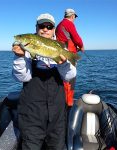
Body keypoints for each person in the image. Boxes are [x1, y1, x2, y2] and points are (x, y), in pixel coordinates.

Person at [12, 13, 77, 150]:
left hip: (57, 114)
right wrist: (19, 57)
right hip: (31, 114)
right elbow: (22, 77)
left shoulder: (61, 48)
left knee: (57, 146)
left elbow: (70, 76)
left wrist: (63, 63)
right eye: (42, 26)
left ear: (54, 29)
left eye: (49, 26)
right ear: (36, 28)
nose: (45, 29)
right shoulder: (27, 49)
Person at [55, 8, 84, 107]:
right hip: (68, 54)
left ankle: (63, 102)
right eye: (74, 17)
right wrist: (81, 46)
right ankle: (69, 104)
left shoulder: (59, 25)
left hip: (60, 54)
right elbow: (76, 38)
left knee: (62, 79)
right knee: (70, 80)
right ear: (72, 16)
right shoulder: (69, 23)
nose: (74, 19)